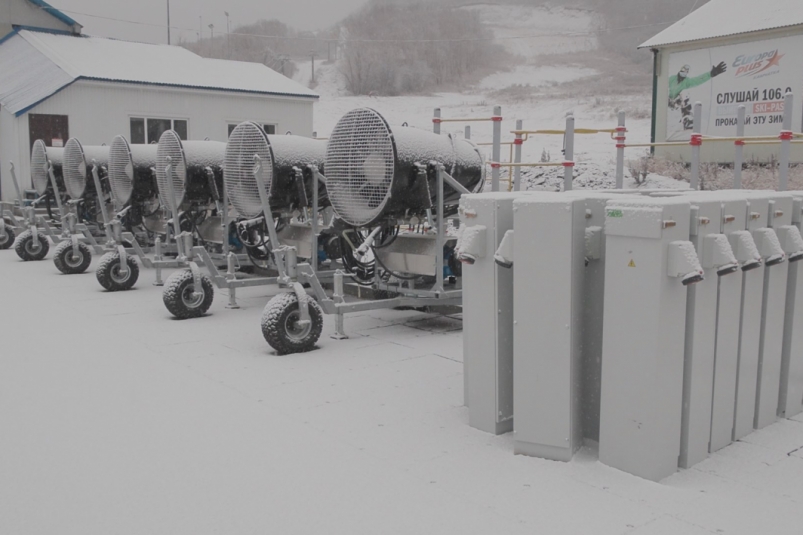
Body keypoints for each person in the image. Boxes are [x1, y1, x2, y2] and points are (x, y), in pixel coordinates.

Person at [668, 62, 727, 136]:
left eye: (686, 71)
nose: (684, 72)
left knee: (686, 93)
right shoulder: (672, 79)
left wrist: (710, 74)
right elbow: (663, 86)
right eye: (683, 70)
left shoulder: (687, 81)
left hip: (678, 102)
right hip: (668, 101)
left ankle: (687, 118)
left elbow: (698, 80)